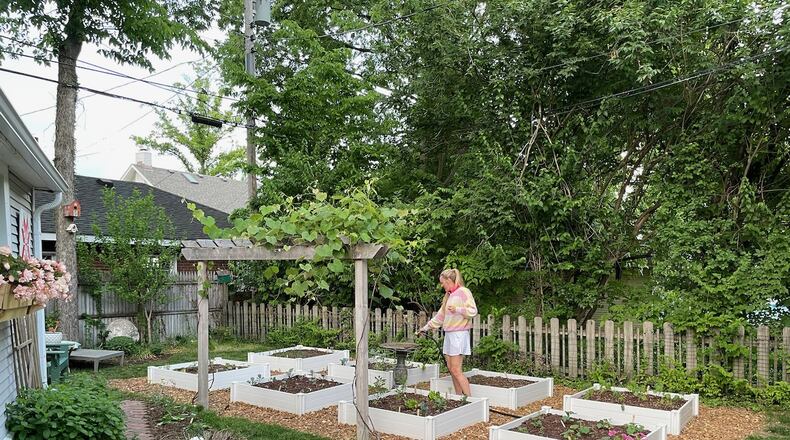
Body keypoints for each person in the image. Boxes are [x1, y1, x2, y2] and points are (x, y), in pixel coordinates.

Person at [417, 268, 477, 396]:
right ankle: (459, 397)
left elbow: (473, 311)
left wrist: (458, 309)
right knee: (451, 369)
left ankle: (471, 401)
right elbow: (440, 317)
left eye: (442, 282)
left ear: (449, 280)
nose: (441, 285)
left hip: (459, 335)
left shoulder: (463, 292)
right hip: (449, 335)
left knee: (456, 369)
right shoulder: (449, 296)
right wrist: (425, 328)